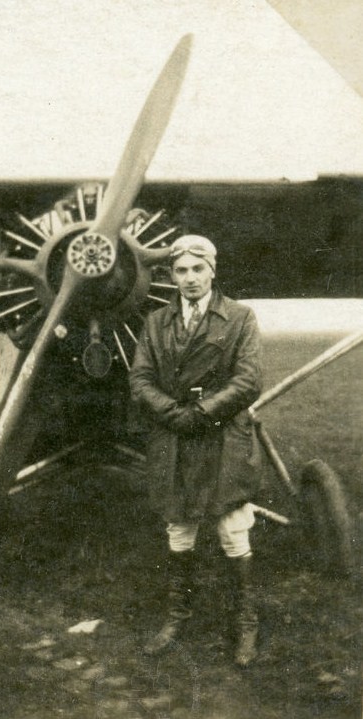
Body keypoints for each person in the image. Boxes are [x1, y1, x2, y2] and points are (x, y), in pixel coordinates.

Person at [129, 234, 263, 667]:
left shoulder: (241, 317)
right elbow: (140, 379)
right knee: (180, 528)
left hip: (222, 435)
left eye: (197, 269)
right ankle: (177, 616)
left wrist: (202, 413)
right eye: (180, 271)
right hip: (175, 435)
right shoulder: (155, 322)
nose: (189, 279)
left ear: (212, 271)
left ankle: (246, 622)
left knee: (231, 529)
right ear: (171, 275)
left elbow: (248, 381)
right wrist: (173, 413)